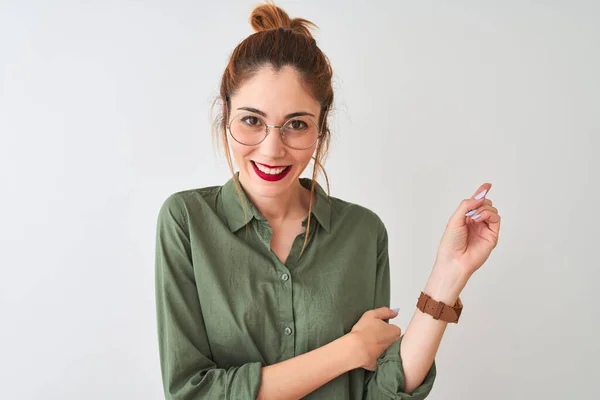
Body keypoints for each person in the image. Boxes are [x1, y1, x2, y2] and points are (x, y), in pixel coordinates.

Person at [154, 3, 501, 399]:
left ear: (320, 129)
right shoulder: (186, 221)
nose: (271, 149)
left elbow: (380, 392)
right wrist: (347, 351)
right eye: (251, 120)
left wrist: (449, 273)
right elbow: (191, 393)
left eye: (297, 125)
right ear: (225, 117)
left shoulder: (363, 232)